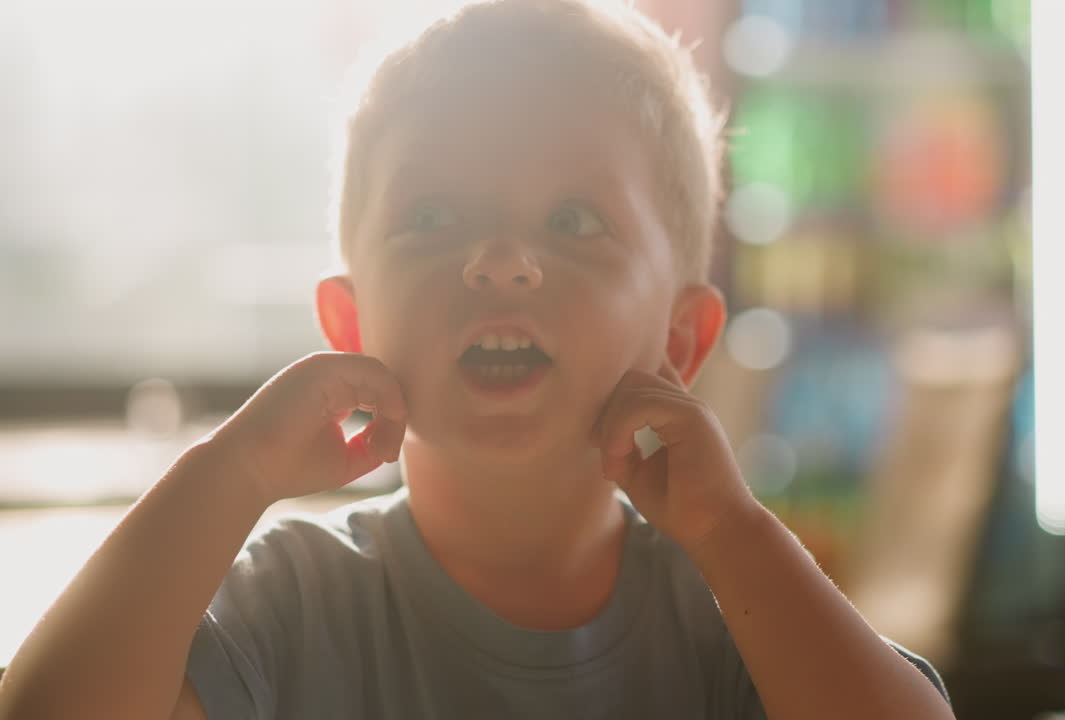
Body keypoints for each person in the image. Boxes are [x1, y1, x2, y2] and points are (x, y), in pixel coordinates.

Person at [0, 2, 953, 718]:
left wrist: (737, 533)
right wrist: (231, 470)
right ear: (351, 321)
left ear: (679, 341)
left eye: (573, 220)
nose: (499, 259)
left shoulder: (733, 612)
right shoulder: (293, 601)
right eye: (432, 217)